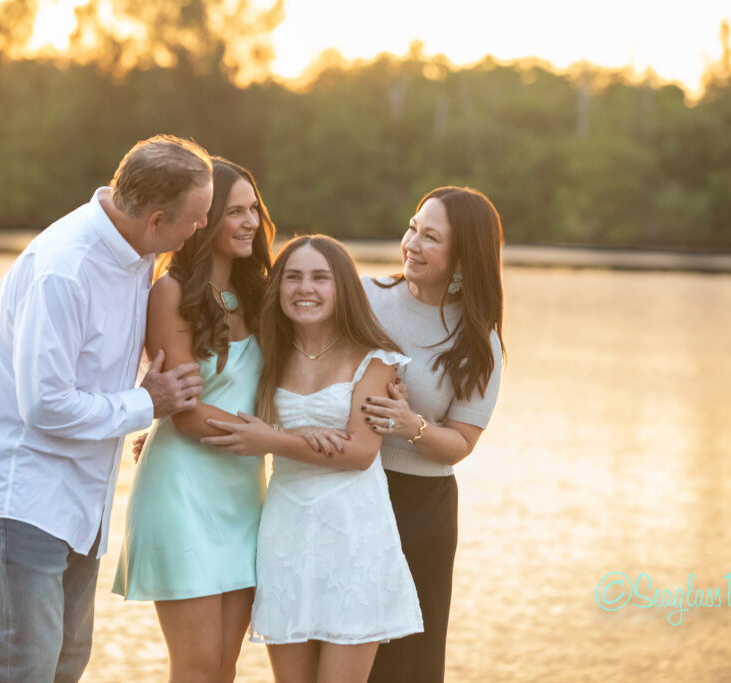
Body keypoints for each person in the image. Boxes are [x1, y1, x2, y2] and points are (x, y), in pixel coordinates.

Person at [0, 134, 212, 683]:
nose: (201, 229)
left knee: (65, 666)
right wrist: (148, 402)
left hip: (82, 502)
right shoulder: (64, 269)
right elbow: (44, 406)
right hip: (23, 496)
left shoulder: (136, 252)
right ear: (157, 218)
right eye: (197, 218)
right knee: (23, 671)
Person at [202, 235, 423, 683]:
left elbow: (360, 452)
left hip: (354, 536)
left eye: (321, 277)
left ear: (342, 287)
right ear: (277, 288)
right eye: (293, 277)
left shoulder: (374, 360)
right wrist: (167, 434)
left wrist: (274, 439)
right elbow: (220, 399)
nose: (306, 288)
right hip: (286, 534)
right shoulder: (269, 354)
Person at [110, 158, 278, 683]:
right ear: (204, 221)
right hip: (183, 490)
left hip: (244, 494)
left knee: (224, 669)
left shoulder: (263, 294)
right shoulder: (172, 293)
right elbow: (185, 414)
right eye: (234, 211)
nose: (249, 221)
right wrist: (275, 439)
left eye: (254, 209)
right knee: (198, 667)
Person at [362, 186, 505, 683]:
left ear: (463, 257)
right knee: (341, 645)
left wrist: (410, 425)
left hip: (422, 510)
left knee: (407, 662)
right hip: (351, 490)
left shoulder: (479, 340)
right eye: (412, 228)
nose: (412, 244)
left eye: (430, 237)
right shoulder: (365, 298)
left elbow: (462, 444)